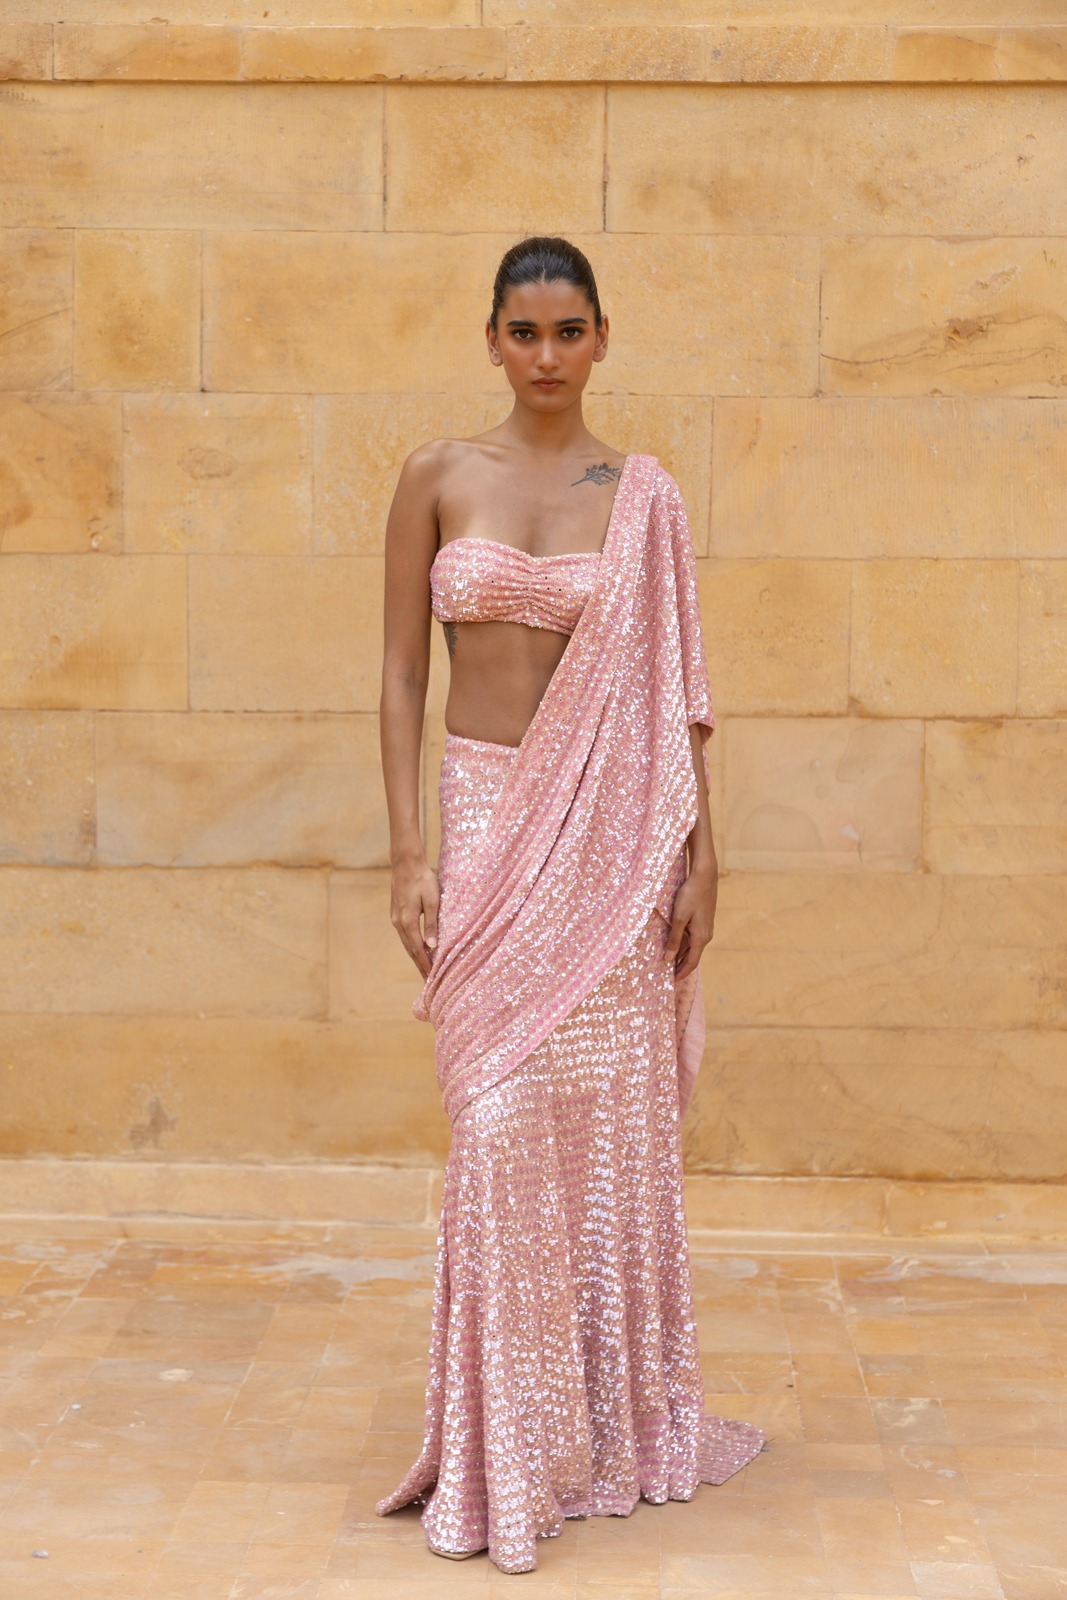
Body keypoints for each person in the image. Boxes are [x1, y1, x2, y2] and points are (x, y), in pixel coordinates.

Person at [376, 236, 764, 1575]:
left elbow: (680, 697)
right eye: (524, 331)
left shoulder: (641, 497)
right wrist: (409, 850)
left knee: (606, 1132)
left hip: (615, 841)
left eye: (569, 331)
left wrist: (702, 856)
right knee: (493, 1121)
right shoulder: (437, 476)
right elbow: (400, 675)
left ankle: (597, 1425)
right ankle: (507, 1440)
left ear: (603, 338)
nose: (546, 356)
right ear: (491, 338)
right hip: (489, 823)